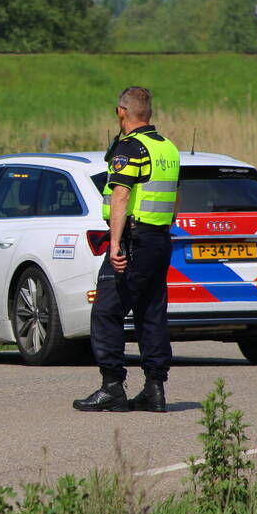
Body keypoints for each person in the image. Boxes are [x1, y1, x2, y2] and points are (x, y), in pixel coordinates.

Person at [74, 87, 180, 413]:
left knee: (106, 311)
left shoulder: (130, 148)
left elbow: (120, 196)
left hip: (133, 241)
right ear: (148, 112)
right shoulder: (168, 149)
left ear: (122, 112)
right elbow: (172, 198)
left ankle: (112, 388)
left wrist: (116, 244)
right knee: (151, 312)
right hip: (159, 239)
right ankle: (154, 388)